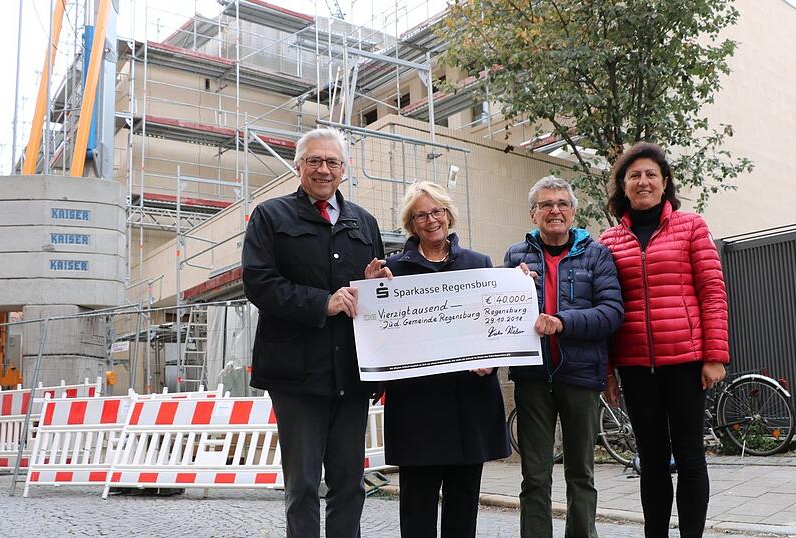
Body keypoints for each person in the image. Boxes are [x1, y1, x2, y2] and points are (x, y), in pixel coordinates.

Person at [242, 127, 391, 538]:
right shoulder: (270, 216)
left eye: (332, 162)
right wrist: (320, 303)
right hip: (296, 374)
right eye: (315, 161)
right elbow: (258, 282)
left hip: (351, 374)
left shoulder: (365, 222)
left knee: (349, 485)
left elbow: (370, 295)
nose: (324, 169)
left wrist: (372, 282)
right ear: (298, 166)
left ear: (344, 169)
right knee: (303, 486)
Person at [599, 142, 729, 538]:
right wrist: (608, 370)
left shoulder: (691, 226)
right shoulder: (608, 241)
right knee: (651, 460)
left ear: (664, 182)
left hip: (686, 362)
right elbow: (605, 307)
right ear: (623, 185)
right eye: (634, 175)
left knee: (690, 456)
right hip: (636, 366)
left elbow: (712, 291)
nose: (643, 181)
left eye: (650, 174)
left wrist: (714, 355)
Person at [383, 181, 510, 538]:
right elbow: (382, 331)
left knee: (463, 504)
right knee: (417, 507)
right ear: (411, 223)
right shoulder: (392, 272)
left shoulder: (478, 263)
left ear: (448, 215)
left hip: (468, 404)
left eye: (436, 211)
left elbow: (494, 327)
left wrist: (492, 360)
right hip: (418, 409)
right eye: (420, 215)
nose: (430, 220)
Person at [503, 176, 624, 538]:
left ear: (573, 212)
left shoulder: (597, 254)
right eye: (545, 205)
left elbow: (612, 312)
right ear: (533, 214)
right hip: (532, 379)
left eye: (562, 204)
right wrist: (512, 283)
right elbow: (499, 313)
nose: (554, 210)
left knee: (581, 473)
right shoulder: (515, 256)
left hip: (581, 377)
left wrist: (562, 322)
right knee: (534, 475)